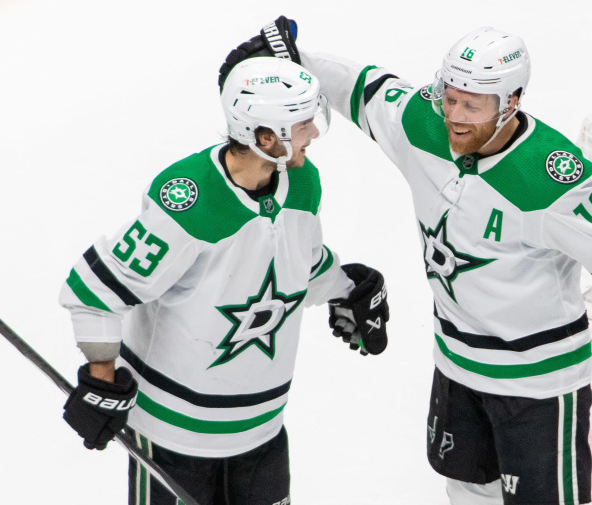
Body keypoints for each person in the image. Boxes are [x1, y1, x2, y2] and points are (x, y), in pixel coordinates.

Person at [221, 18, 592, 505]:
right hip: (456, 365)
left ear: (511, 102)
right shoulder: (422, 121)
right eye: (451, 97)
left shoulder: (550, 179)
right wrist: (294, 60)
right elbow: (364, 89)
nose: (456, 115)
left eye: (474, 104)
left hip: (538, 384)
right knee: (466, 490)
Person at [58, 56, 390, 505]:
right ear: (266, 138)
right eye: (304, 124)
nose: (314, 132)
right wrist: (101, 379)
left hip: (263, 429)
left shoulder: (303, 183)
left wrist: (348, 289)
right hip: (175, 436)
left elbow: (301, 266)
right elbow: (95, 292)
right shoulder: (187, 201)